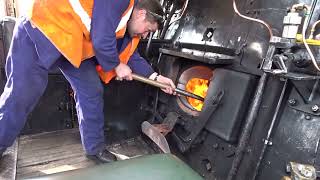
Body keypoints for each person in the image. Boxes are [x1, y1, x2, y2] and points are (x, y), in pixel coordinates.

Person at [0, 0, 175, 163]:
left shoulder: (127, 26)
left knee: (91, 90)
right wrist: (116, 65)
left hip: (74, 43)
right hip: (42, 26)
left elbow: (130, 55)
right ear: (141, 14)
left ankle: (94, 148)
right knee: (22, 94)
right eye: (148, 30)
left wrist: (157, 78)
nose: (145, 35)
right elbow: (101, 38)